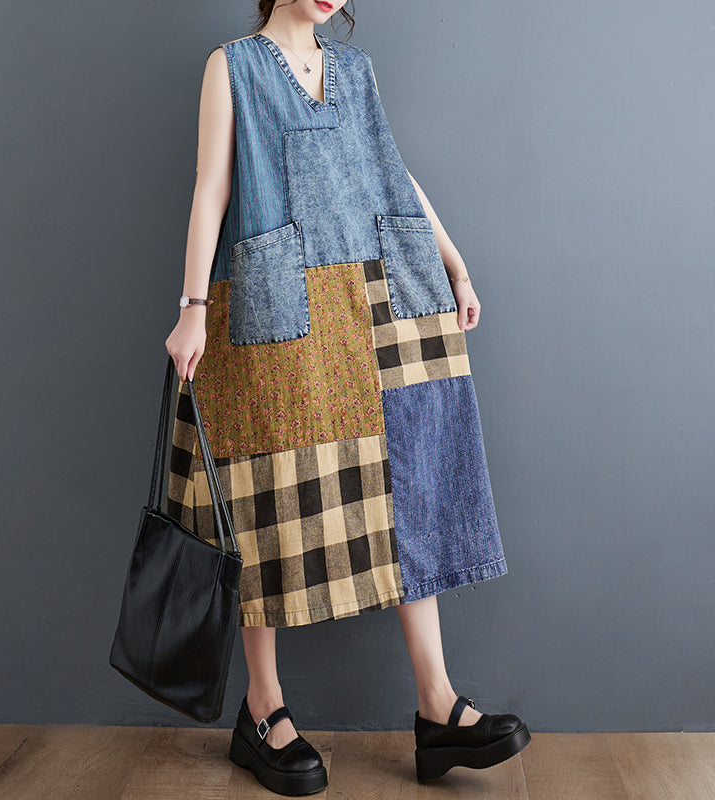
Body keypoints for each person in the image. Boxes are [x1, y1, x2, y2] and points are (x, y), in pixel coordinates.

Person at [165, 0, 531, 793]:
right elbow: (211, 189)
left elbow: (392, 173)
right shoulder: (231, 66)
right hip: (276, 303)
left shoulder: (357, 71)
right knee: (263, 494)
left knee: (409, 485)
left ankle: (437, 706)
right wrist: (193, 308)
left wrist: (456, 264)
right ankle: (263, 709)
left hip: (374, 297)